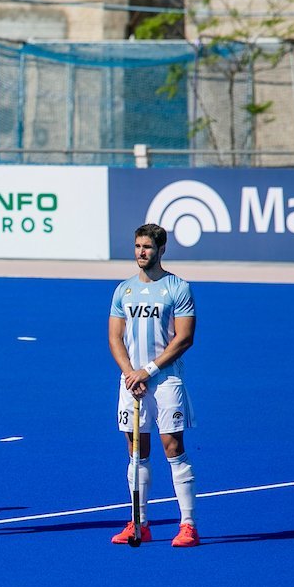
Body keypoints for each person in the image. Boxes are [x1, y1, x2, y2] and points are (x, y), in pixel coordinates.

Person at [107, 223, 200, 547]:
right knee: (136, 451)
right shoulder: (123, 290)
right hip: (131, 381)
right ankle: (139, 523)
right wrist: (130, 373)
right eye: (137, 247)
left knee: (173, 448)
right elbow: (115, 337)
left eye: (147, 247)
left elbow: (184, 337)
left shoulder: (178, 287)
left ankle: (188, 524)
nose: (141, 253)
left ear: (161, 250)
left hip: (165, 380)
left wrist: (147, 371)